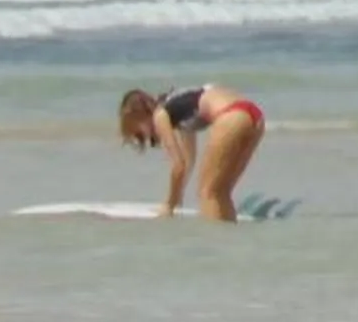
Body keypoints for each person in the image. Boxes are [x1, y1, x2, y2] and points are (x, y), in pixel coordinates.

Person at [115, 83, 269, 221]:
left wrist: (169, 205)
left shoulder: (160, 115)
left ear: (138, 115)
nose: (146, 138)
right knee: (220, 192)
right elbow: (188, 161)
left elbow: (178, 165)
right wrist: (178, 195)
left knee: (207, 193)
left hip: (231, 115)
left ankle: (217, 245)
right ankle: (229, 241)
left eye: (139, 132)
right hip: (254, 116)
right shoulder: (178, 107)